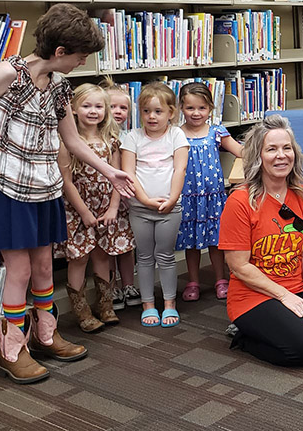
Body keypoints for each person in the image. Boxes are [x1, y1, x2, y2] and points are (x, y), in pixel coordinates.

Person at [0, 3, 135, 384]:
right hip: (6, 186)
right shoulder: (8, 73)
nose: (82, 63)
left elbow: (73, 141)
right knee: (19, 269)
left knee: (46, 266)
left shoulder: (60, 87)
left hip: (44, 185)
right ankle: (11, 350)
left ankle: (46, 334)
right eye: (80, 57)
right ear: (60, 52)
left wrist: (110, 170)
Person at [220, 115, 303, 366]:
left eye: (286, 148)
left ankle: (290, 324)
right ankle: (243, 337)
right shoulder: (239, 202)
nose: (281, 155)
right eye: (271, 149)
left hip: (299, 285)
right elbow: (239, 266)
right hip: (255, 294)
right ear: (258, 156)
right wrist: (284, 296)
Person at [56, 84, 134, 332]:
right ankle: (82, 312)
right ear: (74, 110)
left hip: (106, 209)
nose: (93, 111)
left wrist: (113, 209)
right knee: (79, 258)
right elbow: (66, 182)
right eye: (86, 106)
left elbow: (117, 177)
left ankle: (106, 305)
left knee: (103, 254)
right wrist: (85, 213)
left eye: (99, 106)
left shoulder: (110, 140)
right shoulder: (67, 142)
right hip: (79, 210)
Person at [121, 82, 189, 328]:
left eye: (158, 111)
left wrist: (171, 199)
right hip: (140, 208)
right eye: (146, 111)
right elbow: (128, 172)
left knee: (166, 256)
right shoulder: (132, 137)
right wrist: (145, 200)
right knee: (145, 257)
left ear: (171, 112)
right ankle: (148, 305)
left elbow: (180, 169)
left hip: (170, 208)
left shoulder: (176, 135)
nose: (151, 116)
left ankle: (169, 304)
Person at [177, 82, 243, 302]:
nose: (196, 113)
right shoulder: (176, 134)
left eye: (202, 108)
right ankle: (193, 281)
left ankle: (220, 279)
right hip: (188, 198)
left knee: (217, 241)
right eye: (190, 108)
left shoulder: (216, 131)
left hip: (214, 198)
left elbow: (240, 152)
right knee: (191, 243)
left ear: (210, 108)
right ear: (181, 108)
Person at [103, 82, 141, 310]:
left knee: (126, 245)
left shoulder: (129, 137)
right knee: (107, 247)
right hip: (103, 200)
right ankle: (112, 286)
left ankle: (129, 285)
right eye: (112, 107)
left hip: (126, 201)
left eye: (123, 108)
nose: (118, 112)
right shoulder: (97, 137)